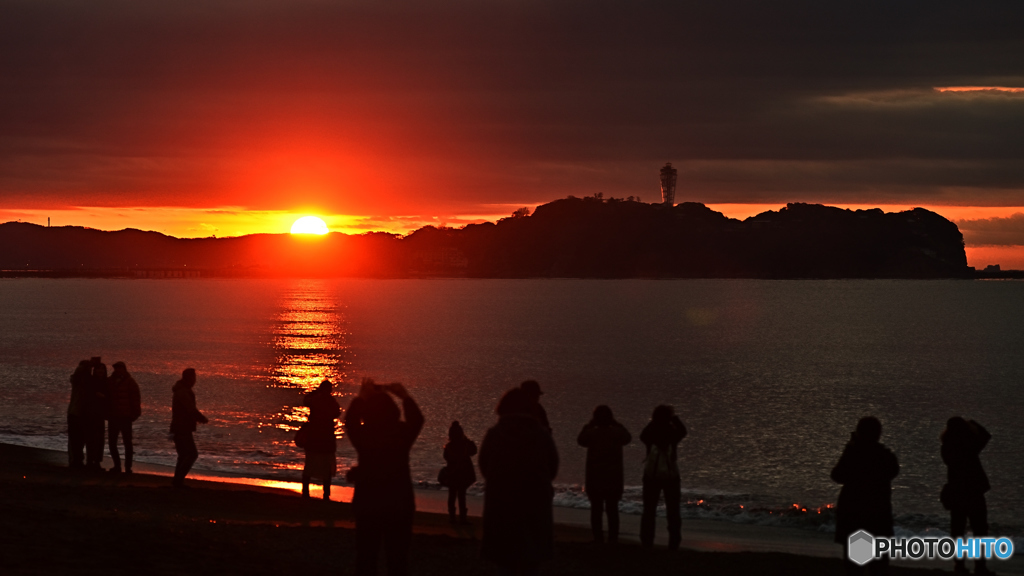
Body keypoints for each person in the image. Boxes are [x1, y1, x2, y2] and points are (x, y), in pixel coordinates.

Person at [344, 378, 424, 576]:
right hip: (399, 503)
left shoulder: (364, 434)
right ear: (393, 411)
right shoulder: (401, 433)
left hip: (368, 502)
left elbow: (350, 421)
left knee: (366, 557)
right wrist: (404, 396)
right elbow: (417, 420)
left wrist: (361, 397)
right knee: (398, 559)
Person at [479, 387, 559, 576]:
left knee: (505, 563)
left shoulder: (495, 434)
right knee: (531, 564)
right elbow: (552, 468)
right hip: (534, 504)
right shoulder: (541, 435)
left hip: (501, 503)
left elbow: (485, 467)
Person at [830, 416, 899, 576]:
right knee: (879, 565)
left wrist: (851, 447)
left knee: (854, 566)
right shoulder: (885, 456)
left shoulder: (853, 454)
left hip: (854, 515)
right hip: (878, 515)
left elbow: (837, 475)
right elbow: (893, 470)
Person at [941, 417, 996, 576]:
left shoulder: (946, 447)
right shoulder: (969, 446)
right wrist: (972, 422)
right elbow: (986, 435)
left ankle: (959, 565)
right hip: (973, 493)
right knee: (980, 530)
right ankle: (980, 567)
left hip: (957, 493)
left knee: (957, 529)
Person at [577, 405, 631, 545]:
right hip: (613, 478)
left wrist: (589, 424)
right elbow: (628, 437)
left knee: (596, 510)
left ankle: (598, 538)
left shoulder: (591, 434)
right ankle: (613, 538)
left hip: (595, 478)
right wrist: (616, 423)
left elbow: (580, 440)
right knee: (612, 510)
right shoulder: (617, 433)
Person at [639, 404, 687, 549]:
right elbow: (683, 431)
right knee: (673, 510)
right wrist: (675, 419)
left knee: (649, 510)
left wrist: (653, 421)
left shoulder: (651, 433)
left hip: (651, 475)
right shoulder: (672, 433)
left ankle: (647, 541)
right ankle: (674, 542)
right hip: (671, 475)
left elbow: (642, 435)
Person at [301, 379, 341, 500]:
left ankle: (306, 492)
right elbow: (337, 413)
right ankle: (326, 494)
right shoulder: (331, 401)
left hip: (314, 438)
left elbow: (306, 400)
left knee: (310, 465)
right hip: (326, 438)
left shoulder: (315, 400)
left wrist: (314, 392)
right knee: (326, 467)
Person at [171, 368, 208, 488]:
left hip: (179, 426)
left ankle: (177, 481)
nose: (195, 380)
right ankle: (178, 480)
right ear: (189, 378)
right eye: (194, 377)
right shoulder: (183, 392)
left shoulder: (182, 390)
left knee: (183, 455)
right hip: (182, 427)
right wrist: (201, 418)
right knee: (192, 454)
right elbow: (190, 409)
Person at [106, 361, 141, 474]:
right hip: (113, 417)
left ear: (124, 369)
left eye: (120, 368)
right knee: (112, 443)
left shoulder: (130, 382)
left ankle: (128, 467)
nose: (118, 370)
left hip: (126, 417)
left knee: (127, 443)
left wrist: (134, 414)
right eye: (116, 368)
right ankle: (117, 465)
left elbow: (136, 399)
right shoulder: (109, 381)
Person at [442, 421, 477, 524]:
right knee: (462, 495)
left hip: (452, 473)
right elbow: (474, 451)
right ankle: (462, 518)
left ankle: (452, 517)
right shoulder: (465, 445)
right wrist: (466, 439)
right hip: (464, 472)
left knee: (452, 495)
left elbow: (446, 458)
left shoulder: (448, 447)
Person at [84, 356, 109, 471]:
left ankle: (97, 462)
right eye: (98, 369)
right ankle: (90, 461)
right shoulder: (90, 381)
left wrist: (104, 397)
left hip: (101, 415)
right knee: (91, 438)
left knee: (99, 439)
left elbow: (110, 397)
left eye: (102, 370)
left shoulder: (106, 382)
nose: (101, 372)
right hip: (90, 414)